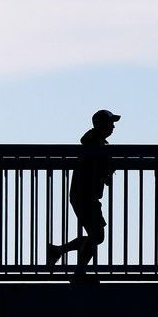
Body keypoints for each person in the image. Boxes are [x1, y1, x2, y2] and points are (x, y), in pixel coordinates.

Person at [47, 109, 121, 272]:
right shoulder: (94, 143)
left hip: (87, 196)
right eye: (111, 123)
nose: (113, 127)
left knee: (97, 236)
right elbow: (98, 167)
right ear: (102, 125)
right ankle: (79, 271)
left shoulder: (97, 143)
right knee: (96, 236)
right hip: (84, 195)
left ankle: (58, 251)